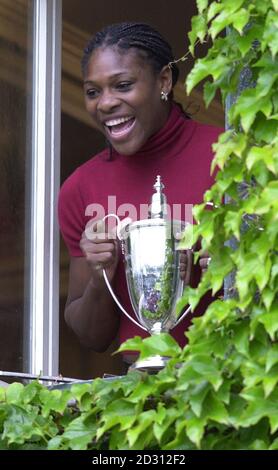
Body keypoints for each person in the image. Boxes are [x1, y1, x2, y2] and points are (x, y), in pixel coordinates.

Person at [58, 22, 221, 362]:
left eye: (122, 85)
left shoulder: (228, 157)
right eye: (92, 92)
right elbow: (92, 337)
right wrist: (102, 274)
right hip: (137, 397)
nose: (105, 103)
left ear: (164, 81)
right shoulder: (80, 188)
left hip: (228, 386)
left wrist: (226, 273)